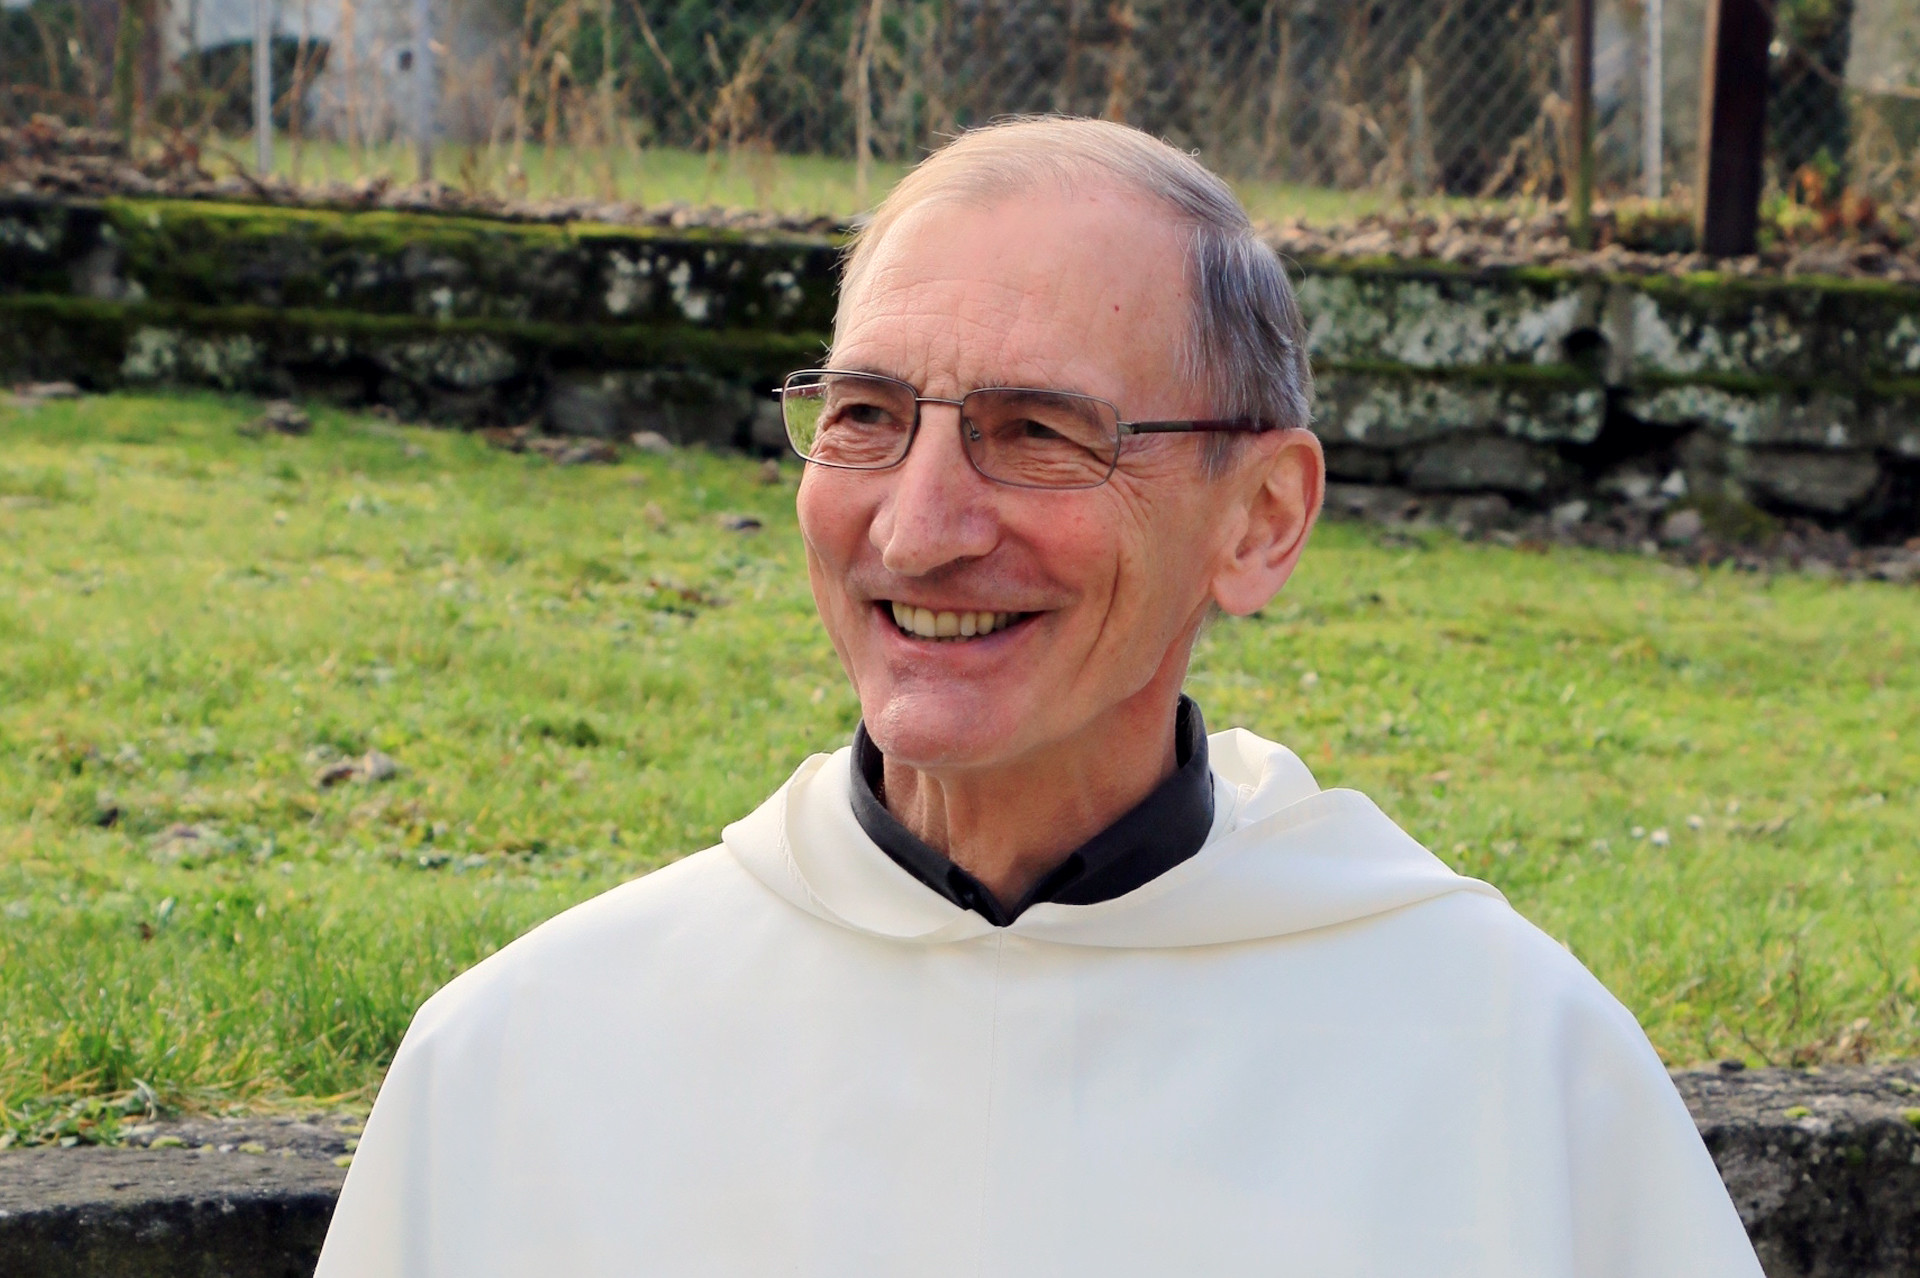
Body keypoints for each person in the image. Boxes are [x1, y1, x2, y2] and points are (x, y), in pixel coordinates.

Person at [316, 117, 1762, 1277]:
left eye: (1038, 432)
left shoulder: (1506, 1067)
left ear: (1259, 517)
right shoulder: (532, 1060)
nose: (921, 524)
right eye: (867, 417)